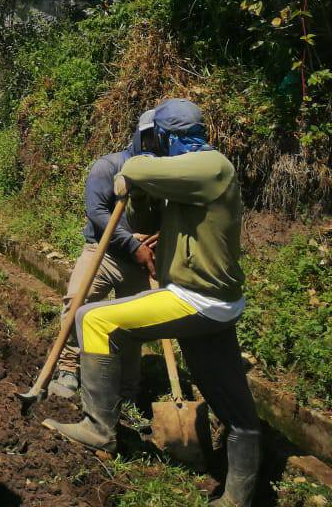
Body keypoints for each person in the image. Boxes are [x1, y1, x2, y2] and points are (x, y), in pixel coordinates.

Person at [44, 99, 261, 507]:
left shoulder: (210, 166)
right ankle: (237, 499)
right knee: (237, 413)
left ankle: (98, 428)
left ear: (167, 136)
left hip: (195, 299)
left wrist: (134, 173)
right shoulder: (192, 176)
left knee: (92, 319)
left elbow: (138, 169)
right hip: (215, 302)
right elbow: (146, 217)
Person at [48, 110, 158, 401]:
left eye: (157, 138)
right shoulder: (108, 166)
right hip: (103, 251)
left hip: (141, 261)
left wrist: (156, 239)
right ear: (138, 135)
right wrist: (130, 243)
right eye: (147, 137)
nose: (151, 144)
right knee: (77, 302)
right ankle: (68, 368)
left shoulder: (165, 175)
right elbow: (96, 212)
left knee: (133, 323)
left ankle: (127, 388)